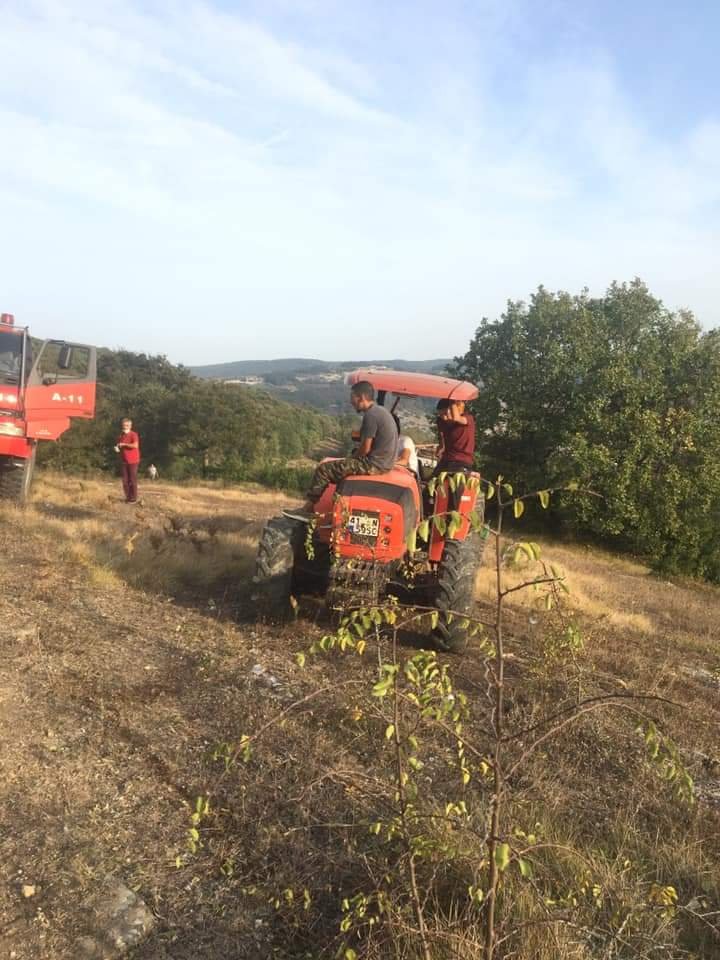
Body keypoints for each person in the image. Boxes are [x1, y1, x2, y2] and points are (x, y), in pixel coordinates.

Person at [287, 381, 398, 518]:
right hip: (385, 463)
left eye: (353, 397)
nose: (351, 402)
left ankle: (308, 508)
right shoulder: (381, 412)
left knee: (324, 469)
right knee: (341, 467)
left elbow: (365, 448)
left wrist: (351, 459)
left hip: (373, 465)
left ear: (361, 397)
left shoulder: (371, 416)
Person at [435, 398, 475, 474]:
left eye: (445, 414)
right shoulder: (441, 422)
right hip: (446, 460)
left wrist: (452, 397)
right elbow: (441, 439)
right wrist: (441, 447)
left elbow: (456, 418)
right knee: (430, 482)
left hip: (461, 461)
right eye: (441, 415)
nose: (444, 417)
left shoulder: (468, 419)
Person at [114, 417, 141, 503]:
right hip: (124, 460)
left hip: (133, 460)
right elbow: (120, 446)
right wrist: (117, 448)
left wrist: (124, 444)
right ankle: (128, 497)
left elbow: (135, 446)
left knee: (132, 479)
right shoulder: (120, 435)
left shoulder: (133, 434)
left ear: (130, 426)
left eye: (127, 425)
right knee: (125, 481)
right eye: (124, 425)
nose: (125, 427)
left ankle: (134, 498)